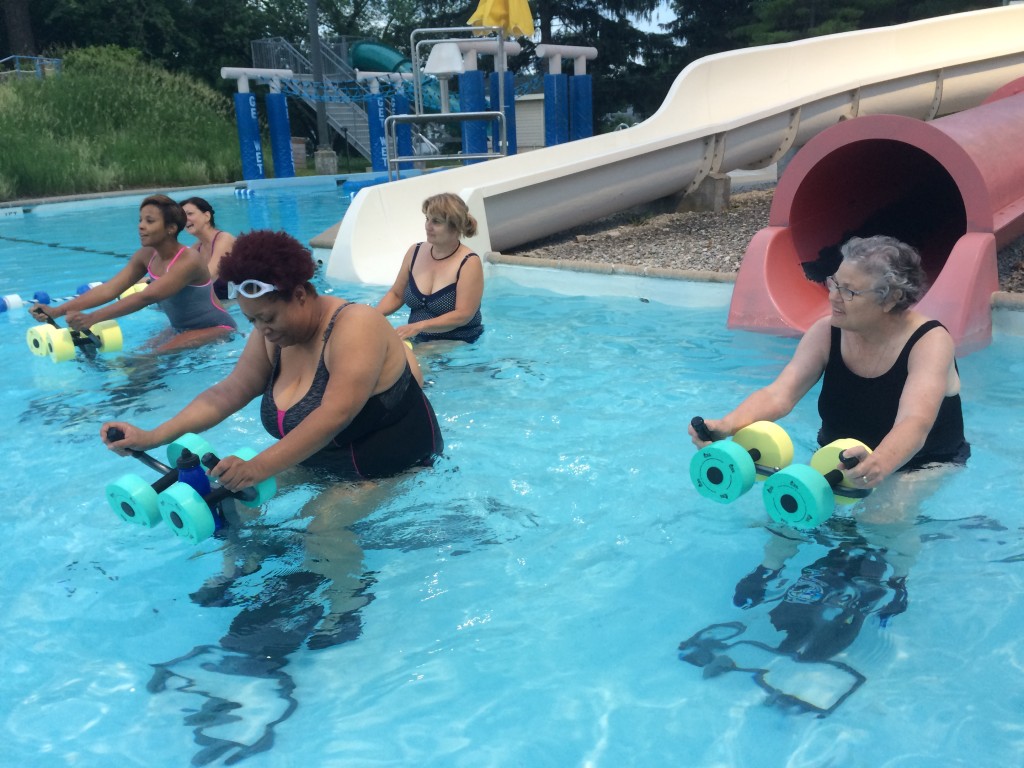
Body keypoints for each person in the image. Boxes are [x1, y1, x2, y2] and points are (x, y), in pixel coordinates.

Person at [101, 229, 443, 489]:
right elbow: (227, 393)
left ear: (299, 295)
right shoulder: (272, 337)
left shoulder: (357, 326)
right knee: (238, 507)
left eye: (268, 318)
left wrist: (258, 468)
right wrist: (151, 436)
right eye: (252, 321)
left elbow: (334, 414)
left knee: (321, 524)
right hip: (324, 460)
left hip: (395, 466)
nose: (262, 329)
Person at [689, 235, 969, 489]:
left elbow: (915, 422)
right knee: (788, 513)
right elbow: (779, 394)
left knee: (883, 518)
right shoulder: (826, 332)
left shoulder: (929, 342)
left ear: (891, 299)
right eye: (834, 283)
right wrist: (727, 425)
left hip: (921, 463)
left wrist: (879, 463)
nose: (833, 297)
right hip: (839, 459)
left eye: (849, 291)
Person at [30, 194, 236, 352]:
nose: (141, 226)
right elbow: (110, 289)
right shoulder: (146, 255)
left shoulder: (188, 259)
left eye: (149, 221)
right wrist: (57, 310)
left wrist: (93, 317)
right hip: (180, 328)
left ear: (171, 228)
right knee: (141, 353)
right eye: (140, 220)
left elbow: (146, 296)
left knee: (149, 358)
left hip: (217, 327)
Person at [375, 192, 484, 343]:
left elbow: (463, 314)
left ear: (455, 226)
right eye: (427, 219)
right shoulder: (415, 252)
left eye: (436, 222)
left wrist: (419, 326)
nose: (428, 226)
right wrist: (372, 316)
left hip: (459, 341)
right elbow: (396, 295)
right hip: (418, 338)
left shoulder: (469, 262)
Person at [181, 196, 235, 301]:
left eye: (190, 214)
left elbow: (209, 276)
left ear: (207, 216)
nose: (185, 219)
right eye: (182, 216)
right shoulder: (196, 248)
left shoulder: (224, 239)